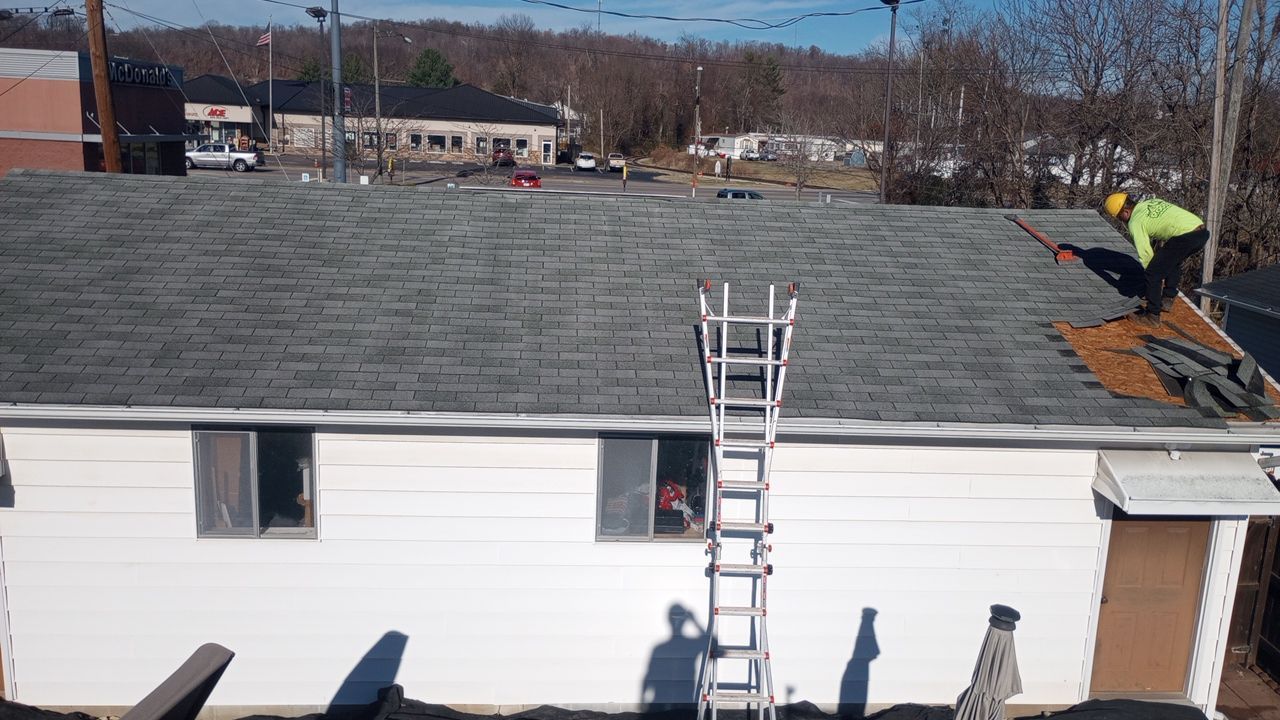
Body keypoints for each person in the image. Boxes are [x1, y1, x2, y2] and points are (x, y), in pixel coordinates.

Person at [1103, 192, 1209, 327]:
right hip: (1201, 232)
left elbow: (1146, 254)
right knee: (1171, 259)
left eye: (1119, 217)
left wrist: (1152, 279)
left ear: (1125, 212)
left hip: (1184, 237)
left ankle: (1152, 316)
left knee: (1152, 273)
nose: (1121, 220)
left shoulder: (1135, 221)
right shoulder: (1151, 202)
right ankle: (1168, 298)